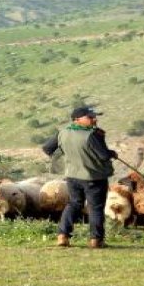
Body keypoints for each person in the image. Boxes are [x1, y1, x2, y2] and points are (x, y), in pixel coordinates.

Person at [42, 106, 117, 249]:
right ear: (77, 119)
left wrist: (68, 154)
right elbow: (103, 155)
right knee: (95, 208)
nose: (94, 119)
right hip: (94, 178)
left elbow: (47, 149)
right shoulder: (93, 135)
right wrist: (112, 153)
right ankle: (96, 240)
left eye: (94, 116)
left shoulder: (62, 132)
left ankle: (63, 236)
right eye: (90, 117)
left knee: (74, 204)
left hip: (72, 176)